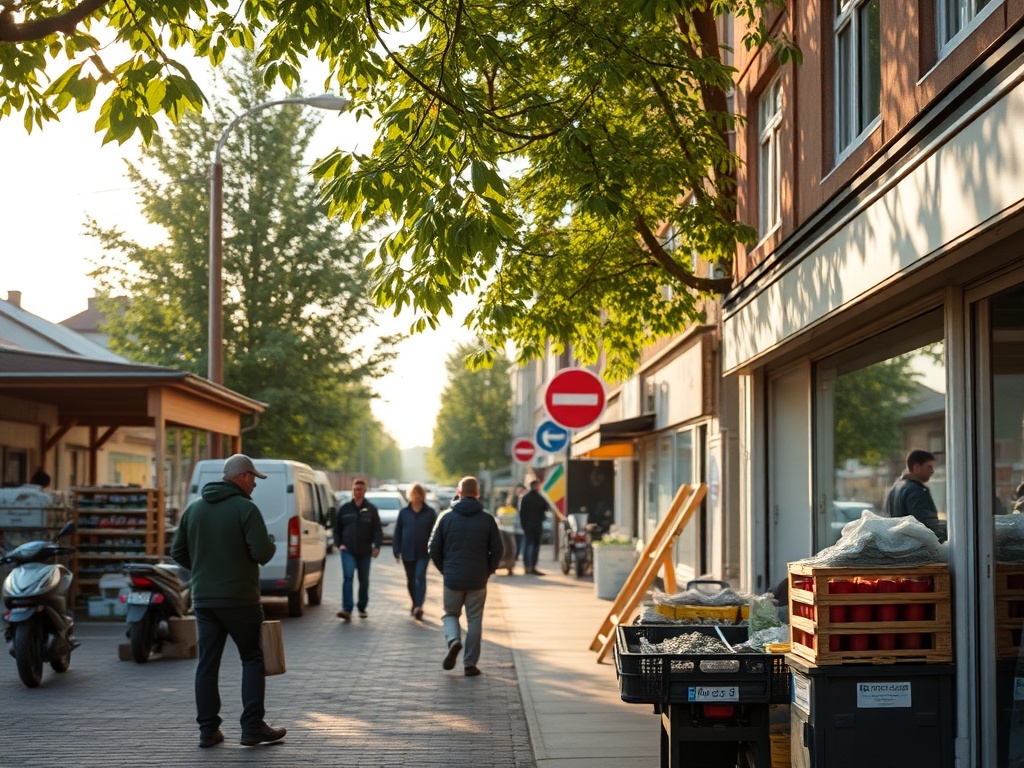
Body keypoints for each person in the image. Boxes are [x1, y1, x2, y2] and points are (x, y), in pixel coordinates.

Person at [170, 453, 285, 749]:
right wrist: (270, 543)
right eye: (254, 478)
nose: (255, 485)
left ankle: (208, 731)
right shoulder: (246, 508)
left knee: (207, 664)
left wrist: (203, 568)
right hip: (240, 598)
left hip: (204, 599)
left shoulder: (194, 509)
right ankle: (252, 728)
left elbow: (177, 552)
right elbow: (262, 553)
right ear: (243, 476)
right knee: (252, 658)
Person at [428, 475, 503, 677]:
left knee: (450, 614)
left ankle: (454, 640)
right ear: (477, 493)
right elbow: (498, 550)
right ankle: (470, 664)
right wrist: (488, 570)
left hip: (452, 578)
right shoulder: (487, 519)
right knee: (475, 620)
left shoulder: (445, 517)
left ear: (458, 493)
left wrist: (445, 569)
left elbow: (433, 548)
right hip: (478, 578)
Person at [333, 477, 382, 621]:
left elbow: (377, 530)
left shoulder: (371, 509)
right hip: (347, 550)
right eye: (355, 489)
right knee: (348, 577)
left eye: (360, 490)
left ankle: (362, 607)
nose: (357, 492)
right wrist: (339, 544)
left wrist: (376, 546)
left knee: (363, 580)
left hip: (365, 551)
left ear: (365, 491)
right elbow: (337, 529)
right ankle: (347, 609)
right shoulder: (345, 508)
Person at [392, 482, 437, 620]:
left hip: (424, 552)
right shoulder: (404, 512)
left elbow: (435, 533)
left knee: (420, 576)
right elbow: (398, 532)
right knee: (410, 580)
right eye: (414, 494)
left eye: (419, 494)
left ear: (423, 495)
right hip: (407, 551)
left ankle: (419, 606)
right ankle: (415, 603)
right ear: (410, 495)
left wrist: (436, 549)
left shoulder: (430, 513)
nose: (417, 496)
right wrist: (396, 550)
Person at [883, 449, 947, 542]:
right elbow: (926, 524)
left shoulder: (895, 487)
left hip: (899, 544)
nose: (932, 471)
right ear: (917, 467)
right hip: (917, 545)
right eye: (929, 466)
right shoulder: (915, 490)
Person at [517, 480, 553, 575]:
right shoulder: (540, 497)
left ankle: (527, 566)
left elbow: (522, 513)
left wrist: (524, 525)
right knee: (535, 546)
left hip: (528, 526)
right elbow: (547, 507)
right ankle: (532, 566)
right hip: (537, 525)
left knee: (528, 545)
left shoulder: (525, 498)